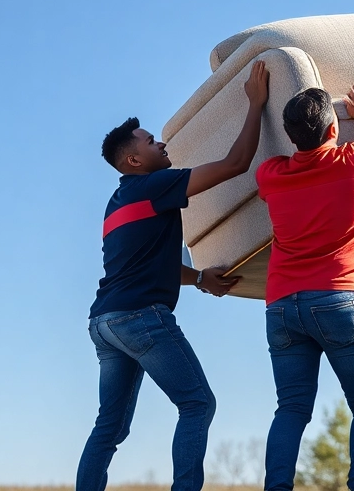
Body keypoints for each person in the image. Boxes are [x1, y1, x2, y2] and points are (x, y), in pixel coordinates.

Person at [78, 60, 267, 491]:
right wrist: (255, 105)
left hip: (105, 322)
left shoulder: (118, 203)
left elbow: (146, 264)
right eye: (149, 141)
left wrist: (200, 278)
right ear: (133, 159)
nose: (161, 143)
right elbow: (237, 163)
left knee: (109, 428)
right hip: (141, 318)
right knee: (198, 404)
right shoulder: (153, 186)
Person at [258, 83, 354, 491]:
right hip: (341, 298)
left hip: (282, 306)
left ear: (289, 135)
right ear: (333, 131)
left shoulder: (270, 175)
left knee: (290, 408)